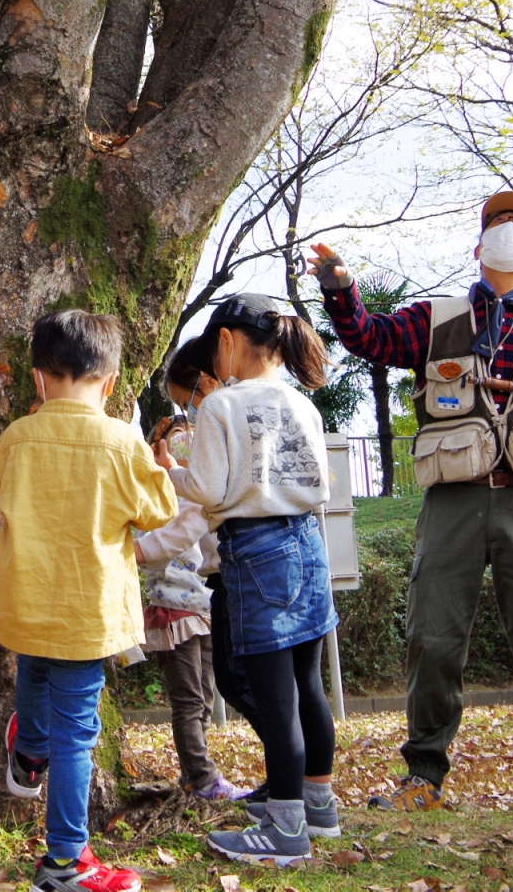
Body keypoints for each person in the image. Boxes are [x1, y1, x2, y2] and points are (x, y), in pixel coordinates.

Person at [309, 190, 513, 813]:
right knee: (433, 639)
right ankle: (423, 777)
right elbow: (370, 338)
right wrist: (340, 289)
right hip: (452, 504)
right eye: (497, 224)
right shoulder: (434, 318)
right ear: (477, 247)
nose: (508, 232)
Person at [0, 309, 177, 892]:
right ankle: (65, 862)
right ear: (113, 380)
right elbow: (157, 512)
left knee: (31, 666)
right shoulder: (121, 442)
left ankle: (27, 750)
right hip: (85, 609)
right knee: (77, 732)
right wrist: (162, 470)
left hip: (24, 598)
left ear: (39, 377)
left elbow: (1, 498)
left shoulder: (16, 437)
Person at [155, 293, 338, 865]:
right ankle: (318, 805)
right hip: (309, 544)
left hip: (256, 552)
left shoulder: (222, 406)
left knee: (274, 696)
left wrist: (170, 471)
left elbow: (209, 491)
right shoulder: (302, 403)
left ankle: (286, 831)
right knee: (308, 686)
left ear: (229, 342)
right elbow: (319, 482)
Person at [136, 412, 245, 801]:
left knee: (205, 697)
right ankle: (202, 778)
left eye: (192, 438)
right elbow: (156, 542)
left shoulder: (201, 496)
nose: (186, 443)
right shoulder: (154, 495)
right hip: (173, 610)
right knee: (188, 699)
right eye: (177, 437)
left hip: (203, 608)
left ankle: (194, 775)